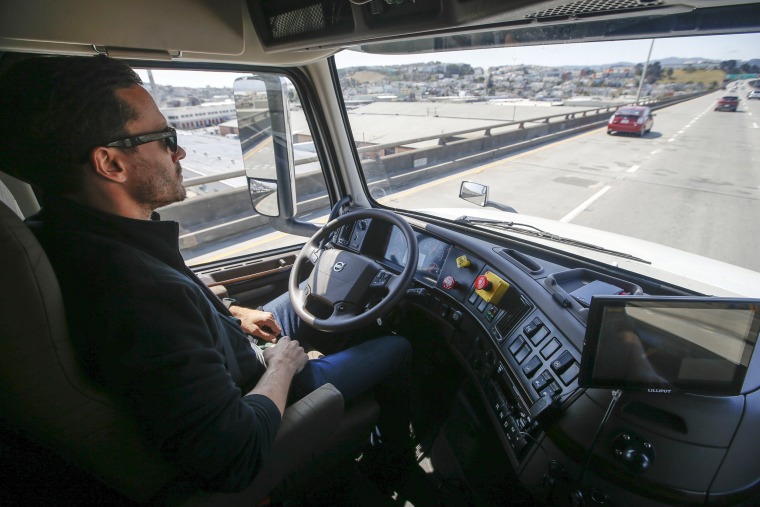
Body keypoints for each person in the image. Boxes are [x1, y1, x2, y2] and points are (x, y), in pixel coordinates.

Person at [0, 54, 413, 494]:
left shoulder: (67, 233)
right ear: (111, 164)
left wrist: (232, 313)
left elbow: (178, 320)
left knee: (303, 296)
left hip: (233, 350)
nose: (179, 151)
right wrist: (284, 366)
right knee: (399, 345)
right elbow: (234, 454)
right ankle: (392, 467)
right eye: (165, 137)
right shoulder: (138, 293)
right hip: (259, 385)